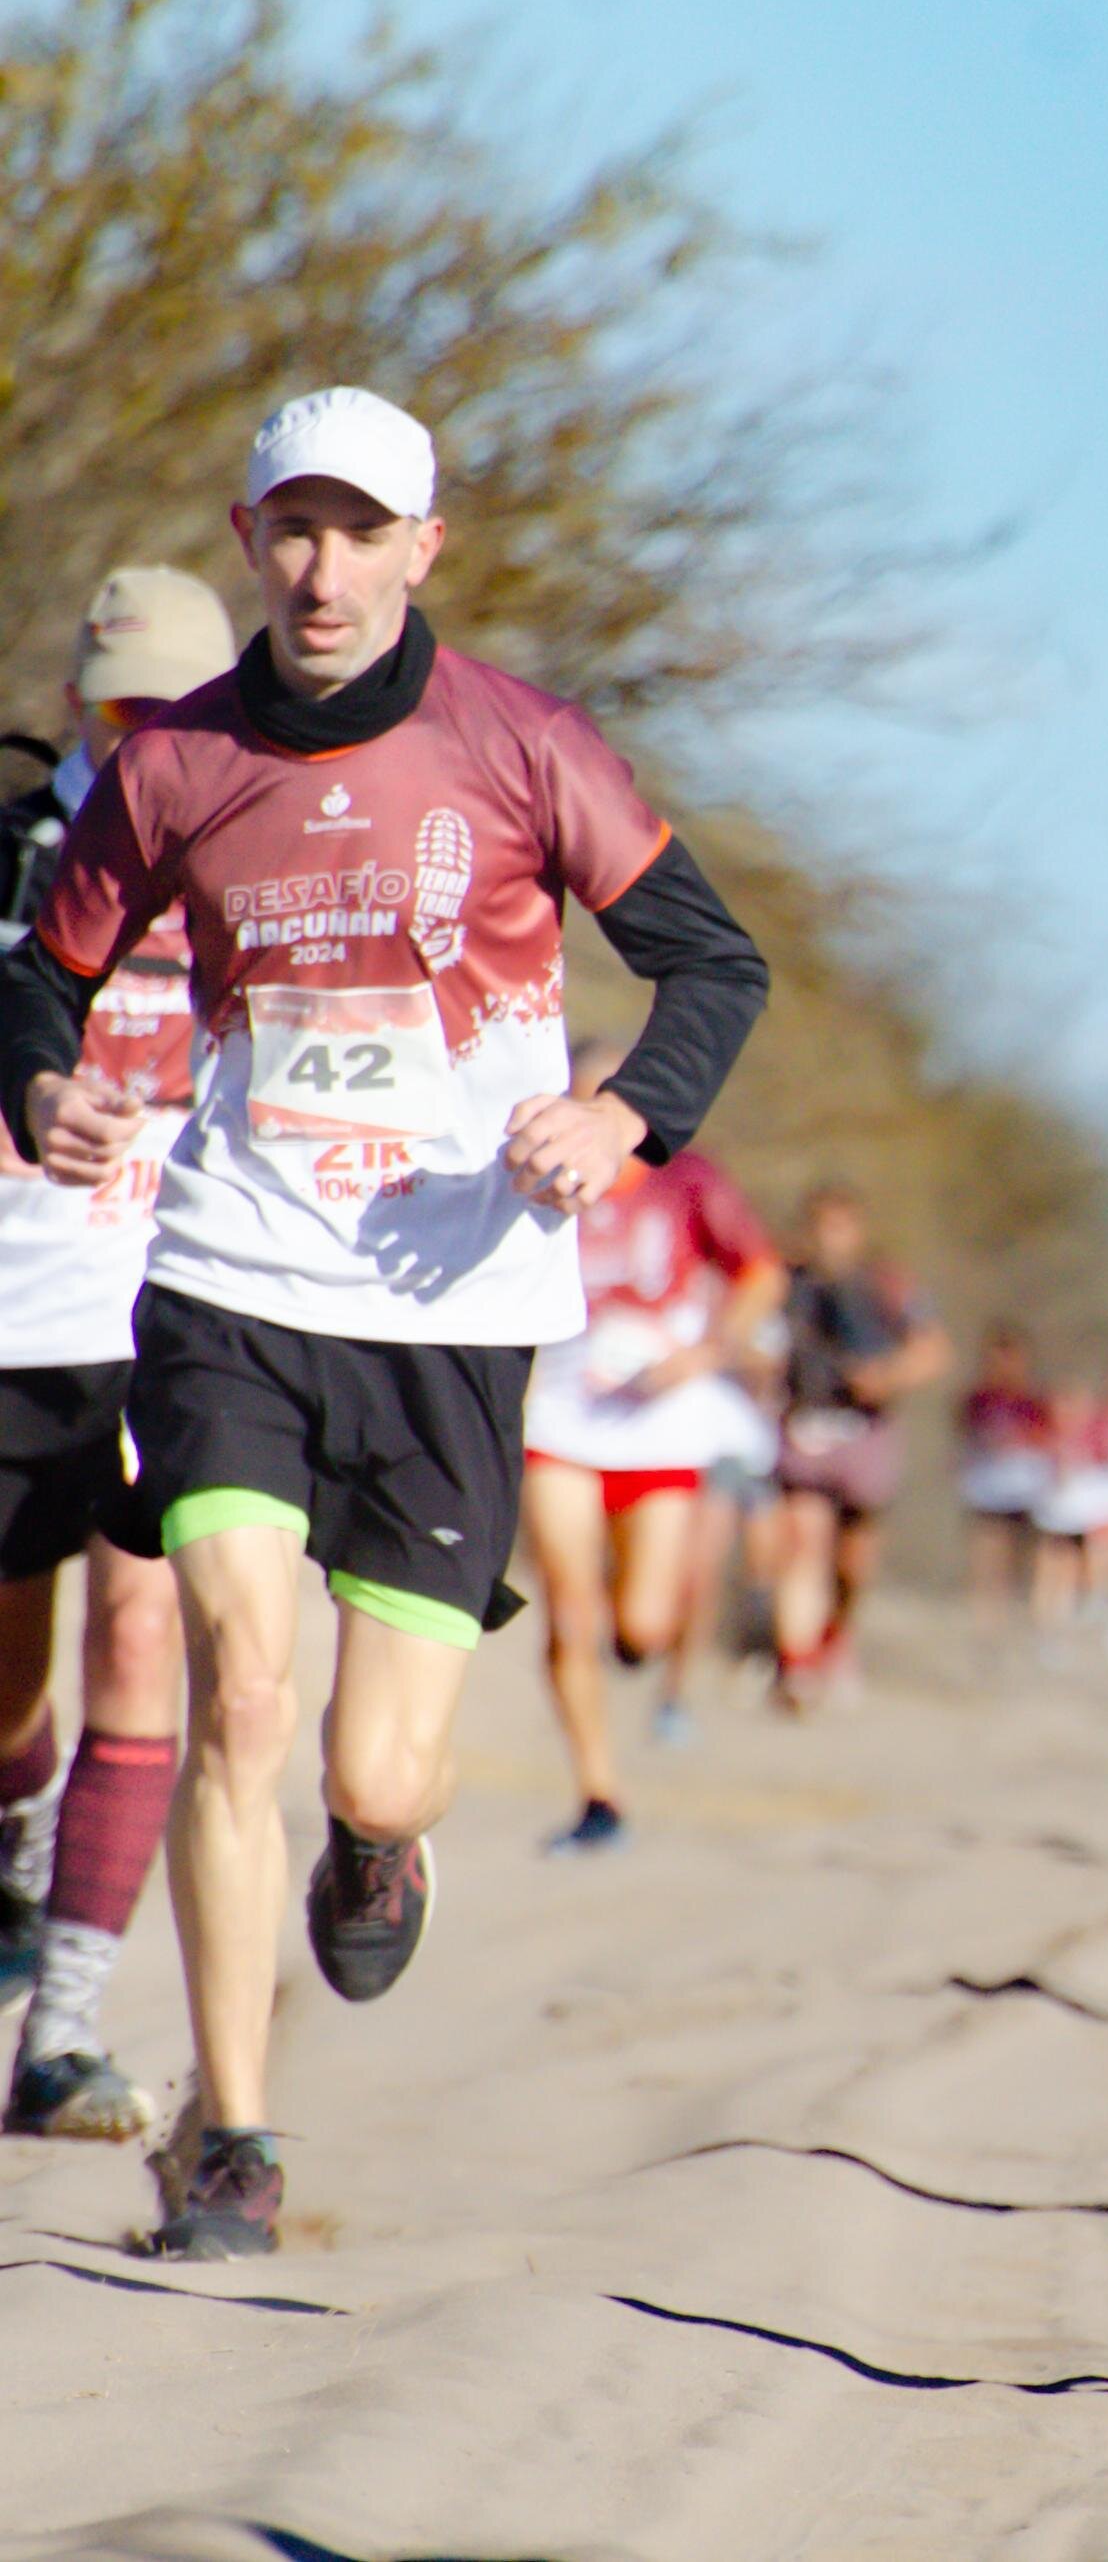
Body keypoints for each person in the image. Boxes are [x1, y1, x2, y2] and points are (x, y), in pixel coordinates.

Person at [0, 387, 768, 2256]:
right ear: (254, 538)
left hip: (452, 1297)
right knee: (236, 1689)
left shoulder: (524, 746)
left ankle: (376, 1839)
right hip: (234, 1276)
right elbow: (43, 974)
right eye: (294, 527)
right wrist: (41, 1090)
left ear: (426, 547)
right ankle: (236, 2137)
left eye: (363, 531)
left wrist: (616, 1112)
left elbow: (713, 962)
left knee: (371, 1764)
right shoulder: (180, 761)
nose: (325, 566)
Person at [0, 568, 228, 2143]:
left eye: (179, 704)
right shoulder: (15, 848)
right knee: (11, 1683)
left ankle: (66, 2033)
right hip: (16, 1313)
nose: (147, 729)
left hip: (165, 1317)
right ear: (84, 697)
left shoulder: (255, 850)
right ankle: (19, 1844)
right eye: (123, 700)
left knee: (141, 1643)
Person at [517, 1035, 784, 1850]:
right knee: (568, 1609)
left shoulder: (689, 1179)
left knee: (641, 1624)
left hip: (660, 1420)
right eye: (581, 1095)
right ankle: (600, 1794)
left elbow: (760, 1274)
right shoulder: (530, 1168)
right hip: (562, 1411)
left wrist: (704, 1354)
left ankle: (641, 1640)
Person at [769, 1184, 947, 1704]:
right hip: (805, 1423)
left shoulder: (889, 1284)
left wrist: (888, 1377)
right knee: (802, 1541)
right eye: (820, 1226)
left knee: (853, 1562)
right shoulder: (783, 1280)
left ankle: (834, 1635)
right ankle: (796, 1664)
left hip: (866, 1430)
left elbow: (933, 1350)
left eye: (840, 1227)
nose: (829, 1239)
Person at [955, 1326, 1055, 1622]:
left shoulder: (1034, 1400)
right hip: (986, 1486)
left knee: (1021, 1552)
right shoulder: (976, 1399)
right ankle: (983, 1612)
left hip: (1024, 1486)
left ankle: (1019, 1607)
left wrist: (1019, 1441)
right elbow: (963, 1433)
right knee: (986, 1549)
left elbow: (1048, 1437)